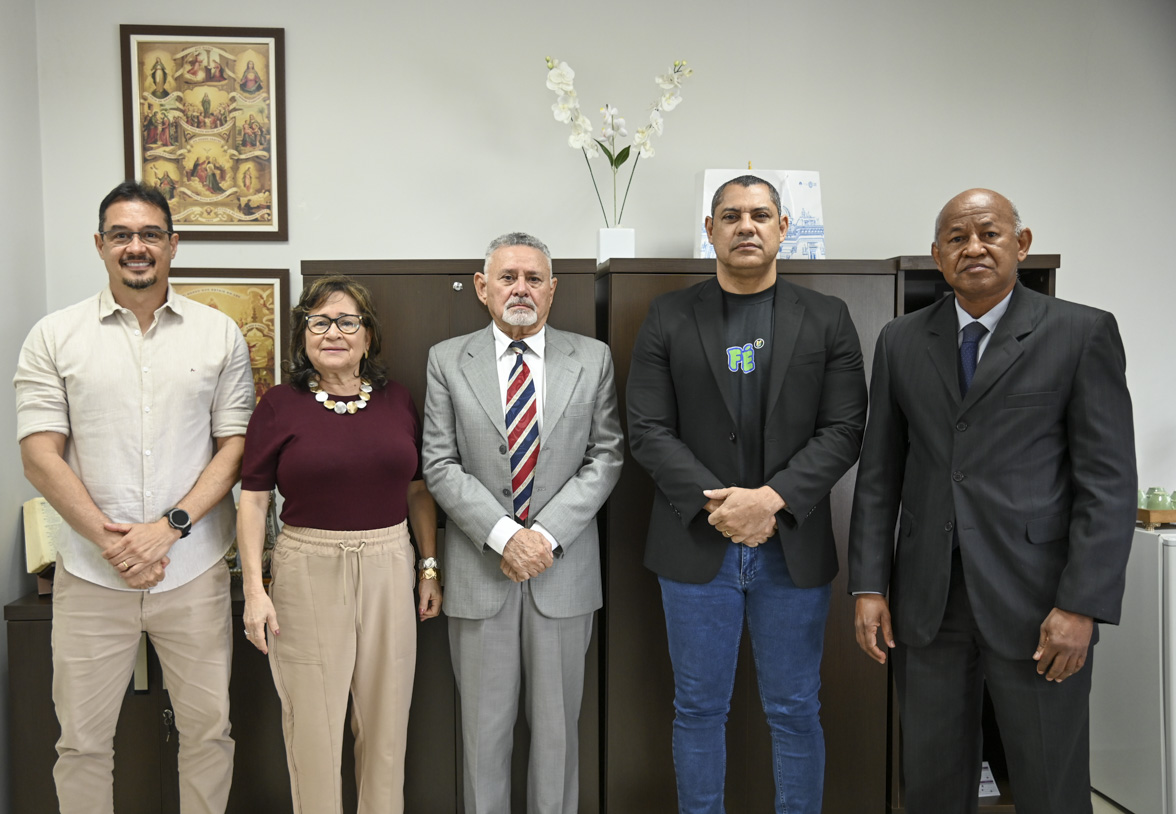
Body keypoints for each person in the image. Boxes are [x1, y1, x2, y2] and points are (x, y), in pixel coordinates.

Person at [848, 188, 1136, 814]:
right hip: (928, 600)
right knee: (930, 779)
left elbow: (1108, 485)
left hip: (1040, 603)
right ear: (936, 255)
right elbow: (879, 475)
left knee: (1049, 782)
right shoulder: (900, 341)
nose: (972, 247)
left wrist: (1080, 605)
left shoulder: (1081, 332)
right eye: (956, 237)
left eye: (988, 233)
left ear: (1020, 243)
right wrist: (869, 585)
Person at [625, 175, 867, 814]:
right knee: (697, 709)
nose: (746, 226)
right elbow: (647, 429)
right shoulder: (669, 315)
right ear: (710, 230)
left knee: (794, 709)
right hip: (693, 548)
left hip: (793, 548)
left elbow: (846, 430)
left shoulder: (827, 317)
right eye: (730, 215)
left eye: (761, 214)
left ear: (784, 228)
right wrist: (724, 507)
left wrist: (772, 500)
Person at [14, 180, 255, 814]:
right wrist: (111, 541)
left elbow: (234, 448)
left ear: (174, 244)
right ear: (99, 245)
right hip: (91, 575)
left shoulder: (220, 334)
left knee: (208, 735)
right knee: (82, 745)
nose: (136, 246)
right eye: (121, 235)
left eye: (150, 234)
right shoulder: (54, 335)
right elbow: (40, 453)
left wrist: (167, 528)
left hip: (194, 570)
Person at [422, 232, 623, 814]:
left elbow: (606, 455)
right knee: (484, 737)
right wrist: (507, 537)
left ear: (553, 291)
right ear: (483, 288)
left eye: (534, 279)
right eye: (508, 277)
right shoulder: (446, 360)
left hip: (565, 575)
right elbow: (438, 462)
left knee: (559, 736)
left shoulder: (592, 358)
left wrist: (545, 537)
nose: (521, 289)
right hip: (481, 575)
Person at [237, 275, 441, 814]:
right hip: (307, 567)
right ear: (303, 333)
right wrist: (255, 590)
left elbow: (418, 490)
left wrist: (428, 566)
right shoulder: (279, 405)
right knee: (313, 728)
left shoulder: (398, 400)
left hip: (389, 563)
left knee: (386, 725)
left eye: (348, 321)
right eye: (319, 321)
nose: (334, 332)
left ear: (368, 335)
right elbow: (254, 501)